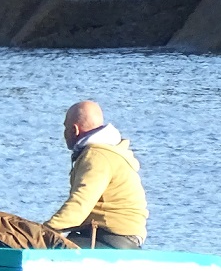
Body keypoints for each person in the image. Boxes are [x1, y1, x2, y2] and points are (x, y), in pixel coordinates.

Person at [44, 100, 148, 249]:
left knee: (49, 249)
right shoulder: (108, 150)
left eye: (65, 127)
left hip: (110, 237)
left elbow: (79, 205)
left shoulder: (97, 156)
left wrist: (44, 230)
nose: (64, 133)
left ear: (74, 130)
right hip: (119, 235)